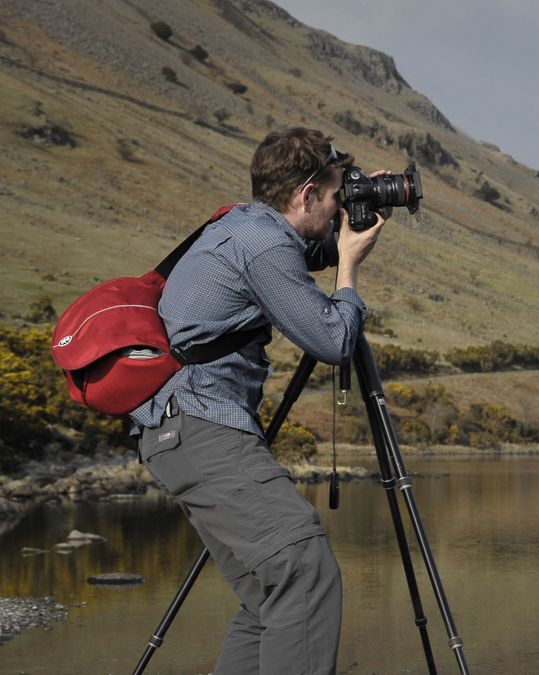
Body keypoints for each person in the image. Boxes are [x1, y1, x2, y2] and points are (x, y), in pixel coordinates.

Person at [130, 127, 389, 674]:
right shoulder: (265, 244)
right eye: (337, 194)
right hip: (204, 429)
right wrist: (350, 268)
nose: (341, 202)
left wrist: (362, 208)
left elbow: (305, 249)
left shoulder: (242, 226)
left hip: (179, 433)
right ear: (306, 195)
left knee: (273, 596)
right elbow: (332, 341)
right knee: (305, 571)